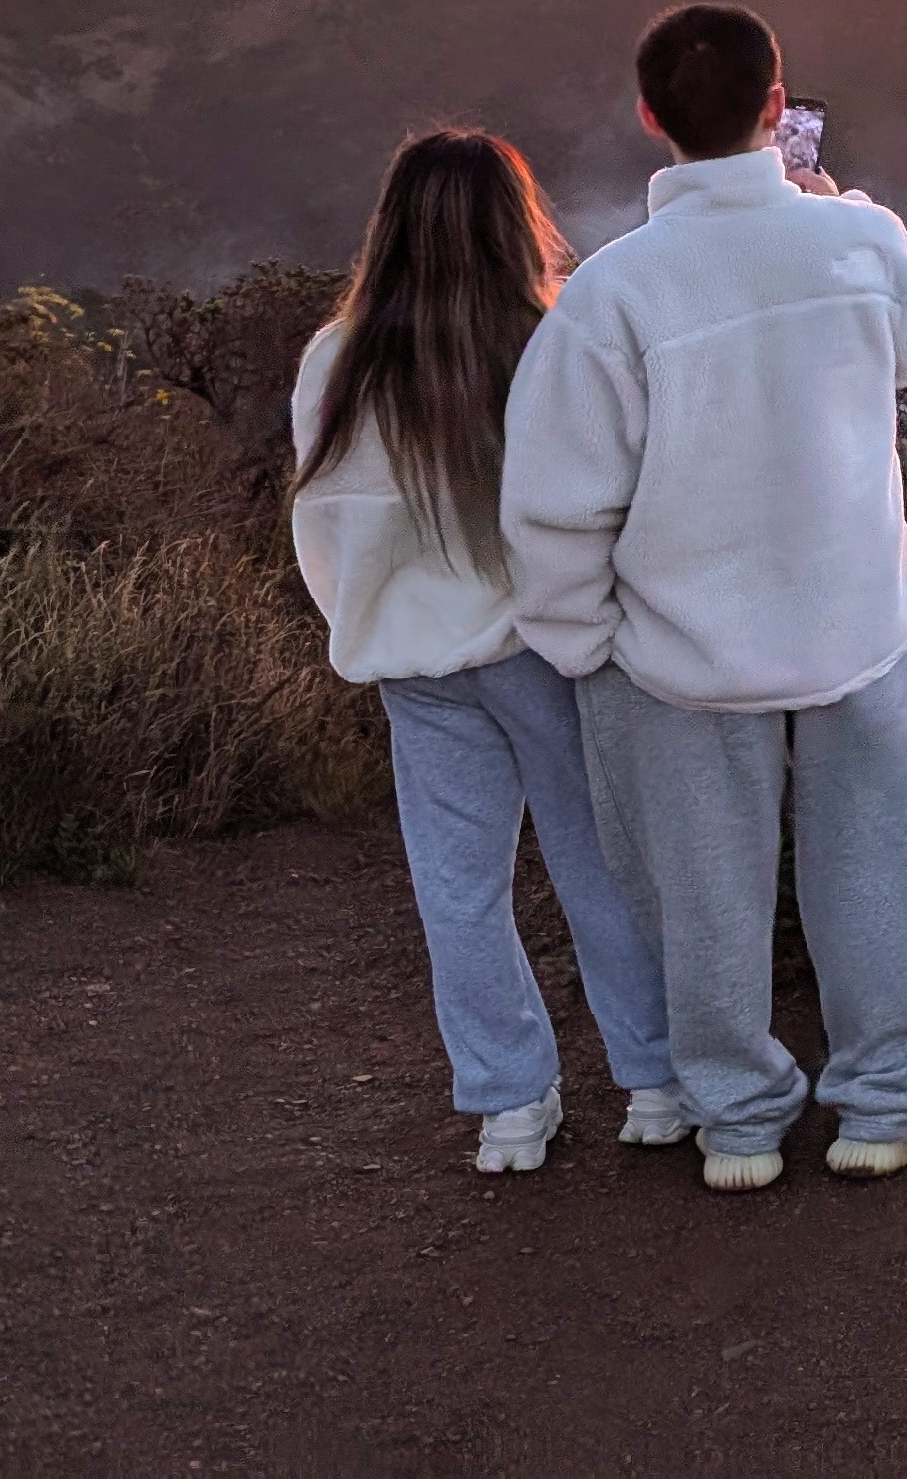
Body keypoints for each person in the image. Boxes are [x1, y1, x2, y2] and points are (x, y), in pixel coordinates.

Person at [503, 2, 907, 1193]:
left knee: (699, 891)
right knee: (880, 864)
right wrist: (848, 205)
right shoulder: (857, 248)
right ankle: (889, 1101)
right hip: (858, 623)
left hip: (677, 651)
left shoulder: (611, 296)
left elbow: (558, 502)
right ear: (779, 107)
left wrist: (584, 641)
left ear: (651, 117)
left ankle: (740, 1122)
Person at [289, 128, 679, 1175]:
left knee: (457, 885)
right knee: (599, 862)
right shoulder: (544, 340)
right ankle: (653, 1081)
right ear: (517, 226)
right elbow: (603, 496)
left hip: (415, 661)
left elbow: (328, 518)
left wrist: (371, 620)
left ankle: (510, 1103)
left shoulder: (337, 357)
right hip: (543, 647)